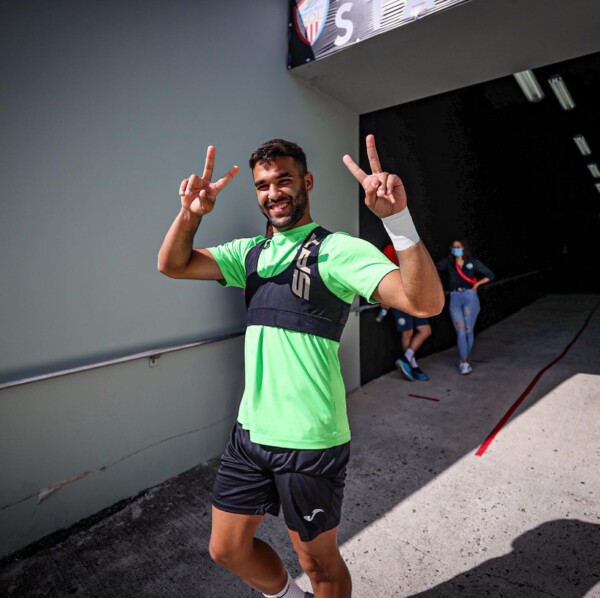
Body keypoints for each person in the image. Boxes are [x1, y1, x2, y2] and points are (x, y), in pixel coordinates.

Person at [157, 135, 444, 598]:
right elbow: (172, 264)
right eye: (263, 185)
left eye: (284, 180)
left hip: (311, 442)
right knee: (226, 549)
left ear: (306, 182)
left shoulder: (338, 250)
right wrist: (190, 214)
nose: (274, 193)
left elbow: (425, 303)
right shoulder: (248, 255)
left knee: (319, 564)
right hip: (250, 435)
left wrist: (398, 221)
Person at [436, 239, 495, 375]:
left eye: (458, 247)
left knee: (468, 329)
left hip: (470, 296)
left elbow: (490, 275)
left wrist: (477, 285)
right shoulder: (448, 263)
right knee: (460, 330)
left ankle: (464, 361)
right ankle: (464, 361)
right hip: (455, 296)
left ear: (464, 248)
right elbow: (433, 268)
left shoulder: (472, 262)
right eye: (454, 247)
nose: (456, 249)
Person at [379, 243, 432, 381]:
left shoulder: (415, 249)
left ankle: (405, 358)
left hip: (416, 298)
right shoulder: (390, 249)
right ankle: (413, 366)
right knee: (408, 332)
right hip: (399, 298)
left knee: (425, 330)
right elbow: (385, 273)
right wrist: (384, 295)